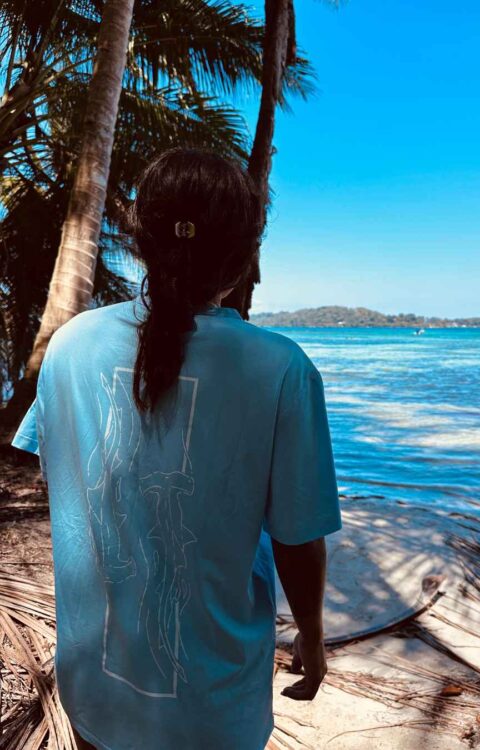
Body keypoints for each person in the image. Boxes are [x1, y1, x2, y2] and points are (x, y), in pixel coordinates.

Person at [11, 148, 343, 750]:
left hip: (92, 691)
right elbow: (298, 540)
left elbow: (64, 477)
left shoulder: (68, 345)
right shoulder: (280, 369)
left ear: (140, 241)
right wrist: (312, 638)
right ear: (243, 257)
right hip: (213, 710)